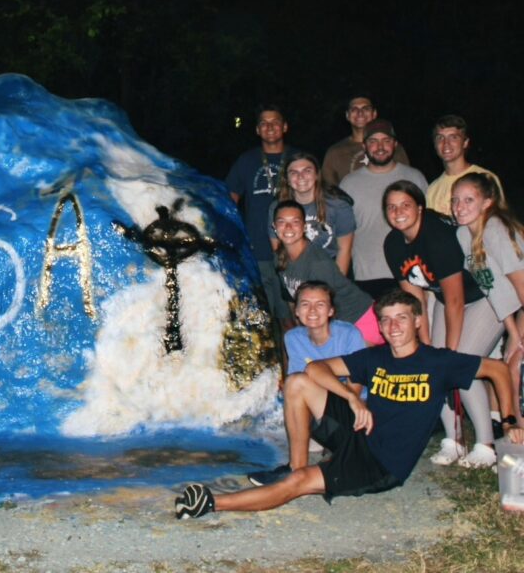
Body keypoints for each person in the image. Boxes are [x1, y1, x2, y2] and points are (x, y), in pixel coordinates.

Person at [174, 289, 524, 520]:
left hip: (379, 463)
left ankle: (211, 502)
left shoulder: (438, 362)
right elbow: (316, 367)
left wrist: (509, 419)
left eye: (401, 317)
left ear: (418, 320)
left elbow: (496, 371)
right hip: (360, 429)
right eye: (385, 320)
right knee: (297, 383)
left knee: (300, 486)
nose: (393, 326)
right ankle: (295, 463)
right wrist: (352, 398)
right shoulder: (375, 357)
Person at [382, 180, 503, 467]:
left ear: (420, 208)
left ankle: (486, 445)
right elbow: (416, 301)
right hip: (440, 301)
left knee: (460, 364)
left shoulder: (437, 235)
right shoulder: (393, 244)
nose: (398, 212)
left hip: (483, 298)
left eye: (406, 205)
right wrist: (424, 346)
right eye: (391, 207)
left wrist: (449, 353)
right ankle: (454, 440)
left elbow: (456, 299)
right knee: (434, 365)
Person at [247, 280, 365, 486]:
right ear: (297, 312)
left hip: (355, 417)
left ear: (331, 311)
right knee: (293, 383)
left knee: (297, 382)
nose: (312, 310)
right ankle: (298, 467)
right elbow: (296, 393)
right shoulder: (293, 337)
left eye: (320, 304)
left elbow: (355, 389)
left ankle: (302, 463)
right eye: (305, 304)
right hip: (322, 411)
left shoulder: (349, 334)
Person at [452, 172, 524, 422]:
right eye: (455, 200)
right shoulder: (464, 235)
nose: (459, 207)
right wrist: (512, 334)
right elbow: (493, 291)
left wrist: (519, 339)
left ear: (487, 202)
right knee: (508, 361)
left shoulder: (495, 231)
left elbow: (521, 288)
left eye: (469, 200)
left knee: (516, 367)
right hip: (510, 308)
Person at [339, 119, 427, 298]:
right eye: (373, 141)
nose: (380, 147)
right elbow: (342, 236)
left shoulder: (414, 177)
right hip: (366, 276)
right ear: (364, 146)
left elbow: (428, 226)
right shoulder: (349, 184)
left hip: (412, 272)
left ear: (395, 144)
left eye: (386, 141)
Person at [272, 202, 382, 345]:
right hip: (333, 322)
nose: (288, 227)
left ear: (304, 226)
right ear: (274, 227)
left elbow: (326, 311)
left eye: (295, 222)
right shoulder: (280, 257)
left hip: (358, 320)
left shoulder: (317, 263)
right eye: (282, 222)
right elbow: (292, 301)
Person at [225, 105, 294, 321]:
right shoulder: (247, 160)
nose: (270, 127)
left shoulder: (299, 158)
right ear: (257, 130)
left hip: (293, 252)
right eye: (264, 123)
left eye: (275, 122)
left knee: (292, 318)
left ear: (284, 127)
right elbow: (229, 200)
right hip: (257, 253)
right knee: (261, 318)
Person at [268, 152, 355, 275]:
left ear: (317, 175)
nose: (301, 177)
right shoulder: (277, 207)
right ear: (286, 179)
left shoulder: (338, 205)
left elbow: (344, 250)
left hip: (332, 267)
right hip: (295, 268)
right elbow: (278, 248)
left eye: (307, 171)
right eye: (294, 173)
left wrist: (337, 286)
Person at [321, 96, 410, 187]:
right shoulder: (335, 152)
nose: (360, 113)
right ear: (347, 115)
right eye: (354, 109)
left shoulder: (393, 148)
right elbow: (329, 191)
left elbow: (407, 182)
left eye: (366, 108)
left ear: (374, 114)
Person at [425, 115, 503, 217]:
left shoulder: (485, 178)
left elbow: (499, 220)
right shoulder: (432, 190)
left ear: (465, 143)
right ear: (435, 145)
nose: (446, 143)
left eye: (453, 137)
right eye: (440, 138)